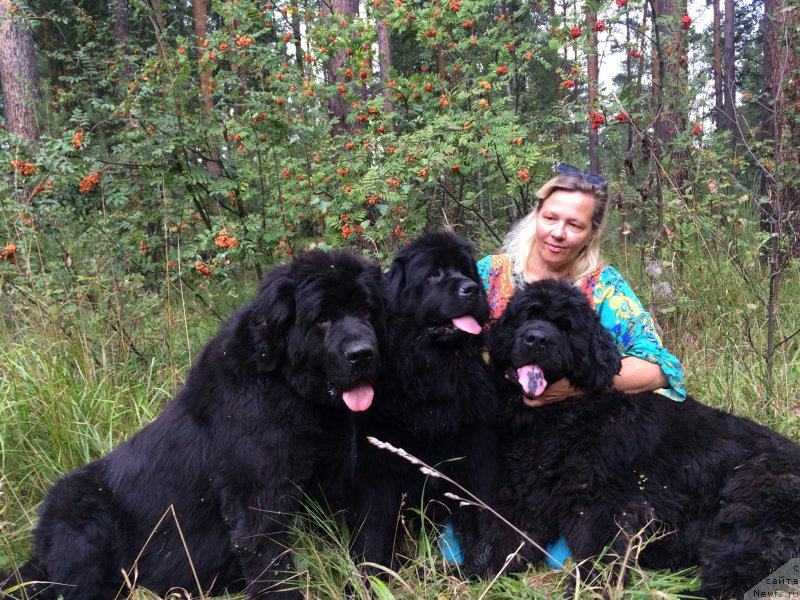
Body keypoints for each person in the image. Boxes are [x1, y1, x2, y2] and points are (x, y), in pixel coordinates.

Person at [469, 162, 686, 569]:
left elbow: (660, 368)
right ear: (537, 215)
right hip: (496, 428)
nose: (558, 232)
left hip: (573, 439)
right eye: (550, 218)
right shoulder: (489, 274)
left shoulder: (604, 286)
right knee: (466, 545)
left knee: (568, 553)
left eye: (575, 224)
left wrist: (579, 387)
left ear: (591, 233)